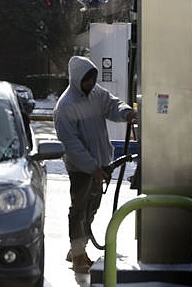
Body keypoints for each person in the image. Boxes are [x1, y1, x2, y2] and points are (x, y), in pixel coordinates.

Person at [53, 56, 136, 273]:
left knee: (92, 207)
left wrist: (126, 112)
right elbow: (71, 145)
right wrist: (92, 167)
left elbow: (112, 104)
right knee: (79, 209)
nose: (91, 84)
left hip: (100, 163)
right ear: (77, 79)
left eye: (93, 79)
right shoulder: (66, 106)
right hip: (80, 168)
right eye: (87, 80)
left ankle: (78, 248)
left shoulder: (96, 93)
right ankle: (78, 254)